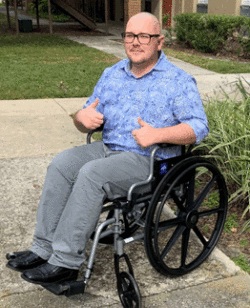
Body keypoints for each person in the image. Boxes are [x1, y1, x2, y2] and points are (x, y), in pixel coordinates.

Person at [6, 12, 209, 285]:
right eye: (129, 35)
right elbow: (85, 116)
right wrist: (81, 118)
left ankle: (64, 262)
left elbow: (199, 127)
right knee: (61, 164)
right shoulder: (112, 74)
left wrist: (158, 134)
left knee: (92, 174)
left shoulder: (178, 81)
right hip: (108, 148)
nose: (135, 42)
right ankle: (42, 249)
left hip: (148, 160)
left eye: (143, 36)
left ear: (159, 42)